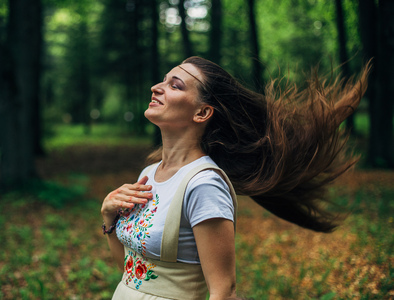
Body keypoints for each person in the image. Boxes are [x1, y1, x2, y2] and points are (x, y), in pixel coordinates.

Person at [101, 56, 370, 299]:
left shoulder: (203, 184)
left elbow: (224, 292)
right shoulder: (148, 174)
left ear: (202, 113)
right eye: (163, 80)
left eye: (175, 85)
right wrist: (109, 219)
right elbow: (128, 273)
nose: (156, 88)